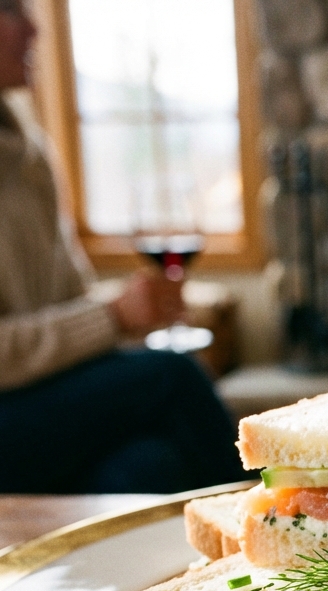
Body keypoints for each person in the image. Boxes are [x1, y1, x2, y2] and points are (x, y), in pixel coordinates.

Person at [0, 0, 245, 493]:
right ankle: (280, 522)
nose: (34, 28)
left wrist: (129, 312)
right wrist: (112, 317)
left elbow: (70, 297)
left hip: (43, 398)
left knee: (151, 466)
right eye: (10, 10)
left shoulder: (28, 150)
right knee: (173, 376)